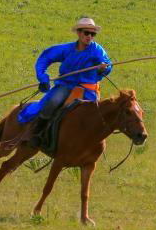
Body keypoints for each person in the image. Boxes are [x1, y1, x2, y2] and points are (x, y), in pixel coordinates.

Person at [18, 17, 112, 147]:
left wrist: (104, 67)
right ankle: (36, 133)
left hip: (88, 90)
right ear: (79, 33)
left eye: (92, 34)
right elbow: (45, 57)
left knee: (96, 114)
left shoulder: (97, 50)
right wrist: (43, 77)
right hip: (67, 85)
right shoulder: (66, 49)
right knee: (53, 102)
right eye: (86, 33)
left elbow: (107, 64)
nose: (89, 36)